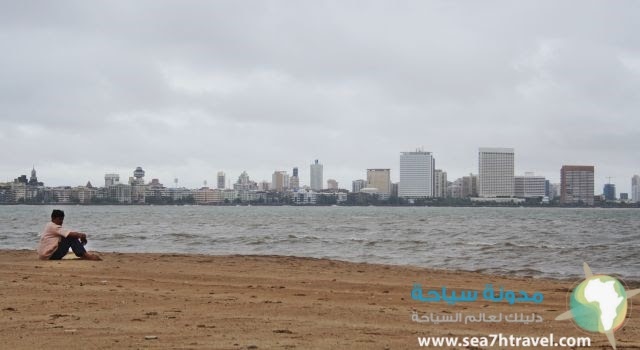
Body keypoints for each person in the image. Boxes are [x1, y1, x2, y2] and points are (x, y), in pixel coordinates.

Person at [37, 209, 101, 261]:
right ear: (53, 218)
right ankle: (86, 255)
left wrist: (79, 237)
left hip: (45, 255)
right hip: (49, 256)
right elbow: (70, 234)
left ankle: (83, 254)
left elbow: (66, 233)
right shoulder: (53, 227)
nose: (61, 221)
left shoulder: (49, 225)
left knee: (70, 236)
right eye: (60, 219)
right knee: (71, 237)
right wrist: (82, 235)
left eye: (62, 219)